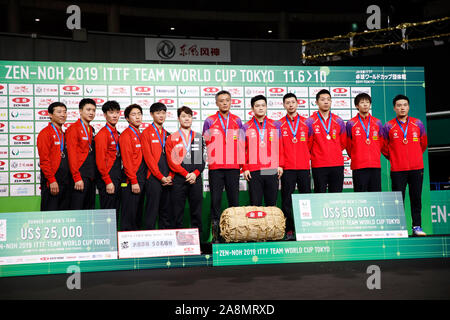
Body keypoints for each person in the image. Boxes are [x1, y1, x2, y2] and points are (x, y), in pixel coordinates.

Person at [382, 94, 428, 236]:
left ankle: (417, 227)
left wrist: (414, 156)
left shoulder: (418, 123)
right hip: (398, 169)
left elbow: (423, 144)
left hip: (416, 168)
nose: (402, 108)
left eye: (405, 105)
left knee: (416, 198)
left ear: (408, 107)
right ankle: (399, 228)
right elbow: (383, 146)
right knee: (398, 200)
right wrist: (396, 158)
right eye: (399, 105)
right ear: (394, 108)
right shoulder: (388, 126)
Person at [202, 90, 244, 242]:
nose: (224, 103)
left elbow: (241, 144)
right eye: (221, 100)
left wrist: (241, 165)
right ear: (216, 103)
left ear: (231, 102)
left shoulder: (237, 121)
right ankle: (216, 235)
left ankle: (236, 234)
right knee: (215, 201)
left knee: (234, 202)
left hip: (233, 167)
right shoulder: (209, 120)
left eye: (227, 100)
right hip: (216, 168)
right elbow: (207, 142)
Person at [166, 106, 205, 236]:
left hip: (195, 179)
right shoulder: (172, 137)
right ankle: (176, 245)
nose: (187, 119)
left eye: (189, 116)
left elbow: (202, 161)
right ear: (178, 119)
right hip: (179, 180)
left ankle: (198, 244)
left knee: (197, 213)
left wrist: (195, 174)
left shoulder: (198, 137)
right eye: (183, 116)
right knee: (177, 213)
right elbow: (172, 162)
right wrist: (186, 174)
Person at [279, 93, 311, 240]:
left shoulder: (307, 123)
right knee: (287, 200)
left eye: (293, 102)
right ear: (284, 105)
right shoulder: (279, 124)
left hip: (304, 167)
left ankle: (307, 229)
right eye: (287, 102)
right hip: (288, 169)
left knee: (306, 200)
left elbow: (310, 144)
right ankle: (289, 230)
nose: (290, 105)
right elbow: (278, 147)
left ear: (297, 103)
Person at [243, 95, 284, 206]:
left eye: (263, 105)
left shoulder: (275, 125)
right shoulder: (246, 126)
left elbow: (280, 146)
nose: (260, 108)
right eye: (257, 106)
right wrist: (245, 167)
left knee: (271, 204)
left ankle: (271, 224)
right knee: (255, 204)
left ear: (266, 107)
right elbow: (242, 149)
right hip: (254, 170)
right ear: (252, 109)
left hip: (271, 168)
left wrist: (280, 165)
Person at [305, 89, 346, 193]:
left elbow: (343, 142)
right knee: (319, 194)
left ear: (331, 102)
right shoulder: (310, 121)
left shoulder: (339, 121)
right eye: (323, 99)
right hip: (319, 165)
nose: (326, 102)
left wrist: (334, 151)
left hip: (337, 164)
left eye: (328, 99)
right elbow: (308, 144)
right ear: (317, 102)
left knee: (336, 195)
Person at [141, 102, 174, 230]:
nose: (161, 115)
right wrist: (160, 177)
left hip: (168, 178)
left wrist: (170, 176)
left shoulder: (168, 134)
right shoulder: (146, 133)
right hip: (154, 177)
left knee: (166, 211)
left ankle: (165, 239)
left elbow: (173, 158)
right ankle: (149, 238)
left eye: (163, 113)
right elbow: (148, 159)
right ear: (151, 114)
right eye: (158, 113)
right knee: (152, 210)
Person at [346, 93, 383, 192]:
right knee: (361, 196)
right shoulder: (351, 123)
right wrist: (355, 155)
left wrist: (375, 154)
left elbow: (381, 143)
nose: (365, 104)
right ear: (357, 106)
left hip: (375, 165)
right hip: (359, 165)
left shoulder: (377, 122)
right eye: (362, 102)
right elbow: (348, 144)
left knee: (376, 196)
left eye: (367, 102)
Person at [37, 102, 71, 211]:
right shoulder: (45, 133)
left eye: (65, 112)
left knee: (64, 214)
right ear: (50, 114)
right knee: (50, 214)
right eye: (59, 112)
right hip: (52, 180)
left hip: (65, 180)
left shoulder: (64, 134)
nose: (63, 115)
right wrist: (51, 180)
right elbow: (44, 160)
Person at [119, 104, 147, 231]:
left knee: (137, 213)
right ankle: (126, 243)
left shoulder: (140, 134)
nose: (137, 117)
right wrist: (133, 181)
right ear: (127, 118)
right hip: (131, 180)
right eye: (133, 114)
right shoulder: (126, 135)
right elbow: (127, 161)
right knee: (129, 213)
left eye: (139, 114)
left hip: (141, 178)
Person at [66, 98, 97, 209]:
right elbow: (72, 154)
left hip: (90, 176)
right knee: (77, 209)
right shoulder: (73, 129)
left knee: (89, 210)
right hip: (80, 175)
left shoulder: (91, 129)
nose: (91, 113)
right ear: (80, 111)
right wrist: (76, 177)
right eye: (88, 109)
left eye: (93, 110)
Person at [95, 100, 122, 221]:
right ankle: (107, 239)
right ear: (105, 115)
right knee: (108, 213)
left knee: (115, 211)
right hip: (107, 177)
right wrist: (107, 181)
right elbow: (100, 161)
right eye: (111, 112)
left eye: (117, 112)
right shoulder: (102, 134)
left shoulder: (117, 133)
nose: (115, 115)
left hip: (116, 176)